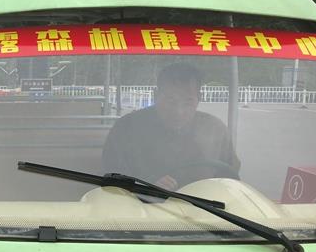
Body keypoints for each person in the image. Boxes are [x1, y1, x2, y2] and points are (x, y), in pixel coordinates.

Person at [102, 63, 240, 190]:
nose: (179, 111)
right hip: (141, 204)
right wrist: (145, 186)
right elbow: (112, 178)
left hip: (202, 205)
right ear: (156, 96)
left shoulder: (215, 129)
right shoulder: (127, 128)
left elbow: (230, 177)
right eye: (170, 100)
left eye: (188, 102)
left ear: (199, 98)